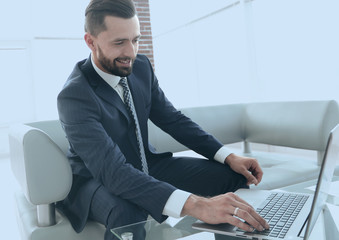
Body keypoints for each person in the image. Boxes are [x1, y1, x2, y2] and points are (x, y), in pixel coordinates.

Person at [57, 0, 269, 239]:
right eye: (119, 42)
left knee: (232, 177)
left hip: (146, 165)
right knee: (128, 211)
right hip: (96, 179)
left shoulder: (141, 68)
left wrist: (228, 156)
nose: (131, 52)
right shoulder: (74, 95)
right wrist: (199, 206)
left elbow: (173, 120)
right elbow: (113, 171)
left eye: (135, 40)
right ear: (90, 41)